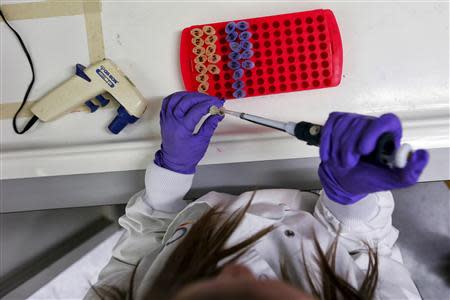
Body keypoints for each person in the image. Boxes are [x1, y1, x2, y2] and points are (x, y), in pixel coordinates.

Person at [86, 92, 429, 300]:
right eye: (269, 284)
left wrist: (171, 172)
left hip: (198, 208)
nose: (236, 269)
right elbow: (372, 252)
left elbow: (133, 257)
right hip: (314, 207)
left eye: (210, 291)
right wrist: (349, 197)